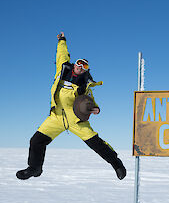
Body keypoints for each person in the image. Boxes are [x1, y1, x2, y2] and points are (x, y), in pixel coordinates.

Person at [16, 32, 126, 180]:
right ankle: (35, 168)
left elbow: (91, 101)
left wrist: (95, 109)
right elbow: (61, 54)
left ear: (86, 70)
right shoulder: (62, 70)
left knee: (95, 143)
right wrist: (62, 40)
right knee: (36, 141)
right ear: (74, 64)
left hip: (76, 120)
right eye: (79, 63)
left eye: (84, 66)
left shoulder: (85, 85)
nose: (80, 66)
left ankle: (116, 163)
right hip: (56, 117)